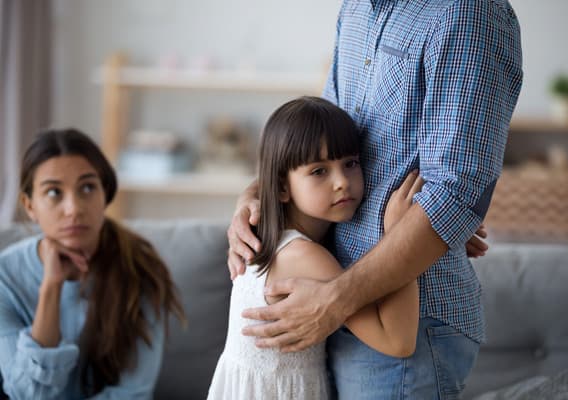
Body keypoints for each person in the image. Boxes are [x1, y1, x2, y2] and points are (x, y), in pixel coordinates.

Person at [227, 0, 523, 398]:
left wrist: (335, 299)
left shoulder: (467, 12)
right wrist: (252, 198)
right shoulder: (356, 11)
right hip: (339, 307)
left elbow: (455, 194)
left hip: (405, 321)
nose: (341, 183)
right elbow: (322, 139)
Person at [208, 96, 424, 399]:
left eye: (350, 164)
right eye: (319, 171)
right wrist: (403, 234)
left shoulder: (278, 235)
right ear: (283, 187)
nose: (341, 182)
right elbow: (398, 341)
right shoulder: (304, 256)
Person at [0, 128, 185, 399]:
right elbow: (27, 393)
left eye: (87, 187)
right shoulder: (4, 276)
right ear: (29, 206)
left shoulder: (141, 268)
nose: (73, 208)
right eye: (53, 193)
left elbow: (132, 393)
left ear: (105, 193)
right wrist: (51, 286)